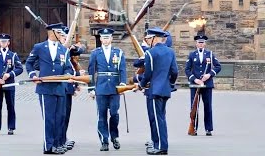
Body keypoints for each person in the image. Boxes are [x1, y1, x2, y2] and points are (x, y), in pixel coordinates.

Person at [25, 23, 73, 154]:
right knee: (49, 118)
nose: (62, 35)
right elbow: (29, 63)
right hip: (45, 88)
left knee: (60, 118)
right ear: (52, 33)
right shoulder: (39, 47)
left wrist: (68, 74)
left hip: (60, 87)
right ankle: (49, 146)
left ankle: (57, 144)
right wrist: (33, 75)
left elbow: (68, 66)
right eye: (60, 33)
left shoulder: (64, 50)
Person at [137, 27, 178, 155]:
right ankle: (158, 144)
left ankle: (161, 146)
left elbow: (148, 74)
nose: (148, 41)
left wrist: (141, 84)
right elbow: (174, 71)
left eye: (149, 38)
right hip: (165, 89)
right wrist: (170, 83)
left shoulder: (151, 53)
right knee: (160, 117)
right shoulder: (170, 52)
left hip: (154, 90)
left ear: (154, 38)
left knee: (157, 118)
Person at [88, 28, 127, 151]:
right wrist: (91, 88)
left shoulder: (118, 52)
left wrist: (123, 84)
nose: (105, 40)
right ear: (100, 39)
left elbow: (122, 70)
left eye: (108, 37)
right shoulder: (95, 53)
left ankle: (114, 137)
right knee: (102, 115)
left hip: (115, 88)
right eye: (103, 38)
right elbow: (91, 71)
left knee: (114, 113)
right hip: (101, 87)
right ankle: (104, 140)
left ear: (111, 38)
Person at [0, 33, 23, 135]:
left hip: (9, 85)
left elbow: (20, 69)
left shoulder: (13, 55)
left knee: (10, 106)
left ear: (8, 43)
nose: (3, 43)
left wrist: (10, 74)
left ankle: (11, 127)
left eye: (5, 41)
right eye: (2, 41)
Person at [185, 35, 221, 136]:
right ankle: (194, 128)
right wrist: (194, 79)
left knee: (207, 106)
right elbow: (187, 69)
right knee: (194, 106)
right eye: (199, 42)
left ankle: (208, 129)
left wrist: (209, 75)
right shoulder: (192, 55)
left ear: (205, 43)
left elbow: (218, 66)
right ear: (196, 43)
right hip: (195, 85)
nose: (200, 44)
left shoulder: (210, 54)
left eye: (202, 42)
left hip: (207, 84)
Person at [59, 26, 86, 151]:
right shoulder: (56, 50)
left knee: (66, 114)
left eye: (67, 37)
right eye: (64, 37)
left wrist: (74, 47)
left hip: (68, 86)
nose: (65, 39)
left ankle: (63, 137)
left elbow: (81, 50)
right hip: (59, 86)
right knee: (59, 115)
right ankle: (59, 139)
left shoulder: (68, 50)